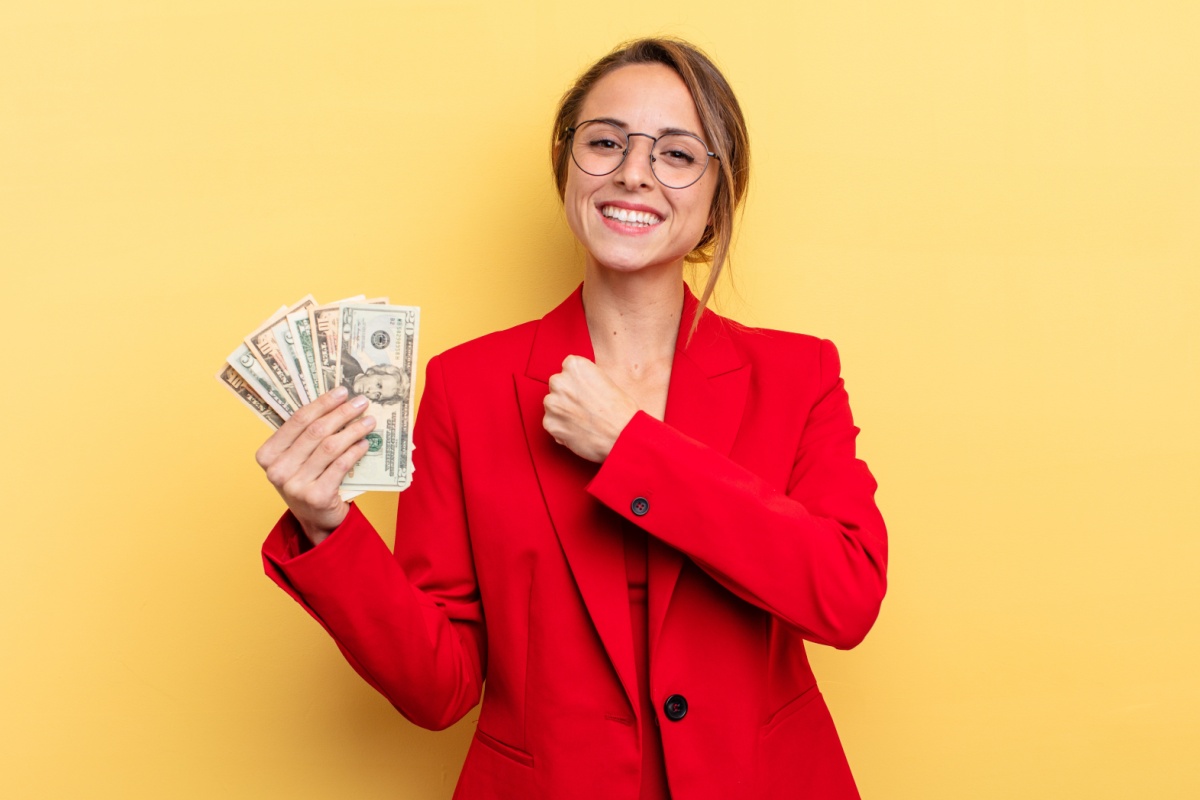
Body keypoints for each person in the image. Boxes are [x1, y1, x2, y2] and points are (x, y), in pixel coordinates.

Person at [255, 37, 887, 800]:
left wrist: (633, 448)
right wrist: (327, 527)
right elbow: (439, 689)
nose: (633, 171)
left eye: (677, 154)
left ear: (720, 195)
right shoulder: (468, 387)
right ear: (567, 167)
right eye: (606, 142)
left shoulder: (797, 375)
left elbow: (846, 597)